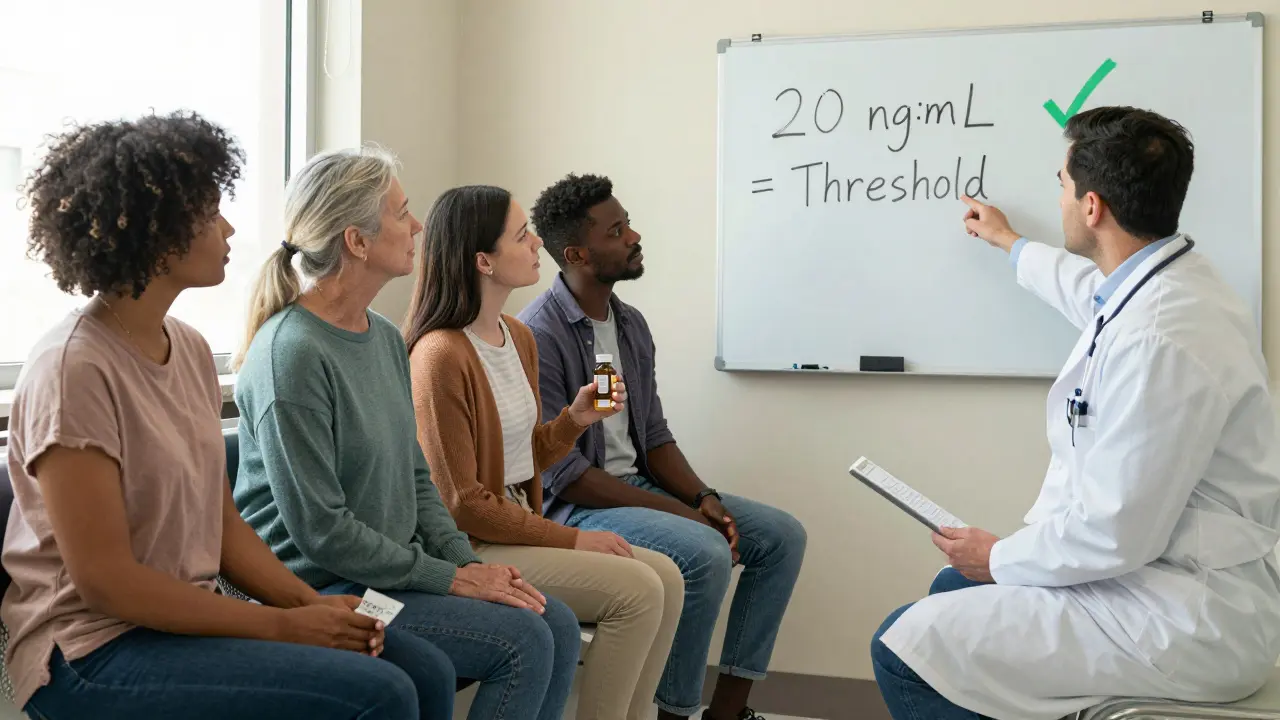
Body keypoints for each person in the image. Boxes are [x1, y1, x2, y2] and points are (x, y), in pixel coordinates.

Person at [1, 112, 429, 719]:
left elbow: (223, 526)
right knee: (382, 693)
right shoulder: (73, 370)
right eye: (211, 212)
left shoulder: (190, 348)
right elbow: (106, 582)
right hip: (90, 652)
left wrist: (308, 606)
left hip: (180, 626)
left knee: (421, 671)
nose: (229, 227)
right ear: (158, 231)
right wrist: (283, 626)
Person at [870, 106, 1280, 720]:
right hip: (1161, 573)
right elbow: (1084, 290)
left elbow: (1117, 530)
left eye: (1061, 185)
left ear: (1091, 207)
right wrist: (1008, 241)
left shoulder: (1160, 338)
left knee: (902, 647)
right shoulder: (1167, 284)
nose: (1058, 197)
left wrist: (997, 556)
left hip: (1180, 613)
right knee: (951, 589)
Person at [230, 147, 579, 720]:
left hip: (390, 576)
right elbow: (323, 532)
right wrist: (450, 580)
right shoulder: (291, 354)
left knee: (555, 622)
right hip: (329, 591)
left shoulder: (385, 337)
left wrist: (464, 563)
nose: (418, 225)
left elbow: (418, 477)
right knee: (522, 640)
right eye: (401, 213)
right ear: (356, 241)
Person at [517, 174, 809, 720]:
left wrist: (703, 497)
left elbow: (652, 436)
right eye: (616, 231)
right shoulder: (538, 334)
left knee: (781, 537)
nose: (633, 237)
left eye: (627, 224)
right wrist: (681, 514)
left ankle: (727, 712)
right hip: (577, 506)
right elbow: (565, 475)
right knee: (704, 552)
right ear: (576, 254)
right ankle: (675, 713)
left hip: (634, 486)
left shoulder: (629, 325)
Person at [403, 184, 685, 720]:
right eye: (521, 236)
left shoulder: (517, 336)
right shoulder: (440, 354)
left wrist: (573, 420)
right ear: (483, 261)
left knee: (667, 578)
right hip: (473, 545)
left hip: (517, 524)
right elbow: (462, 503)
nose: (537, 244)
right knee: (639, 592)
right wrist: (573, 538)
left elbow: (523, 457)